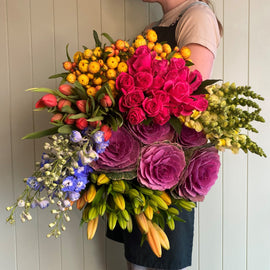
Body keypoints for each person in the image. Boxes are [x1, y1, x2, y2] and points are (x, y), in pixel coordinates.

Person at [107, 0, 222, 269]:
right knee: (138, 260)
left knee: (156, 262)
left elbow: (186, 95)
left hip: (166, 170)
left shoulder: (197, 15)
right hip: (138, 169)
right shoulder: (155, 27)